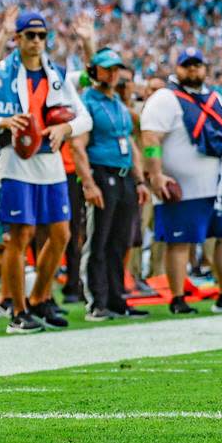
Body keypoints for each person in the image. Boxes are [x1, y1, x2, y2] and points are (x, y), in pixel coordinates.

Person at [0, 11, 91, 334]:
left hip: (50, 163)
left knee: (62, 234)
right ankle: (17, 311)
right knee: (20, 237)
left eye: (41, 35)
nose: (37, 41)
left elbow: (84, 118)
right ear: (18, 39)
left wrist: (65, 127)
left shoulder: (58, 76)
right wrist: (3, 122)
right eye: (30, 35)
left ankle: (39, 299)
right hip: (15, 163)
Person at [140, 48, 222, 315]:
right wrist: (156, 174)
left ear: (206, 68)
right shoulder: (164, 98)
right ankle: (177, 298)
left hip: (219, 185)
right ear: (177, 68)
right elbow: (150, 138)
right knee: (180, 243)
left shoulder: (215, 98)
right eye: (187, 66)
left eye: (197, 65)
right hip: (182, 187)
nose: (193, 71)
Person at [69, 48, 151, 321]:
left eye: (117, 68)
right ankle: (96, 301)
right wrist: (89, 184)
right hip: (102, 173)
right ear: (94, 71)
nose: (114, 73)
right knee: (98, 240)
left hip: (125, 174)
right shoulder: (86, 104)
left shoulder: (118, 105)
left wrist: (140, 180)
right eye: (107, 68)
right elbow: (78, 146)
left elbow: (131, 146)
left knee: (120, 242)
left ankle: (117, 298)